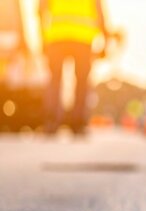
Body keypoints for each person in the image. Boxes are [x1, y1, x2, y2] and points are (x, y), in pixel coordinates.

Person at [39, 0, 109, 135]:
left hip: (57, 36)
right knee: (82, 81)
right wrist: (104, 39)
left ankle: (51, 121)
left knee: (55, 80)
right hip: (82, 38)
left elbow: (41, 10)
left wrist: (42, 37)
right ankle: (78, 123)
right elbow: (99, 11)